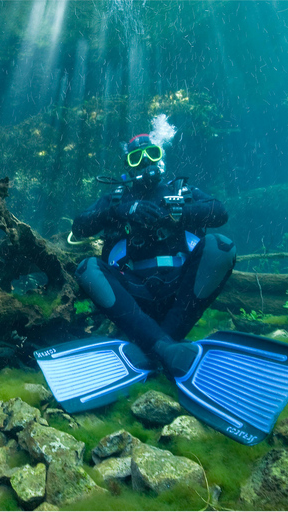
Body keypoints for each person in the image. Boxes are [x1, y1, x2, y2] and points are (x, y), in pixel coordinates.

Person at [71, 134, 236, 377]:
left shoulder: (181, 190)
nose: (146, 162)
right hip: (135, 295)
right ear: (128, 165)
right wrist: (120, 211)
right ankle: (168, 348)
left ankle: (157, 345)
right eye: (136, 158)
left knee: (221, 246)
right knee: (87, 268)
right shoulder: (116, 198)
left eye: (152, 154)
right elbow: (80, 227)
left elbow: (220, 213)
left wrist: (180, 214)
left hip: (181, 292)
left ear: (161, 157)